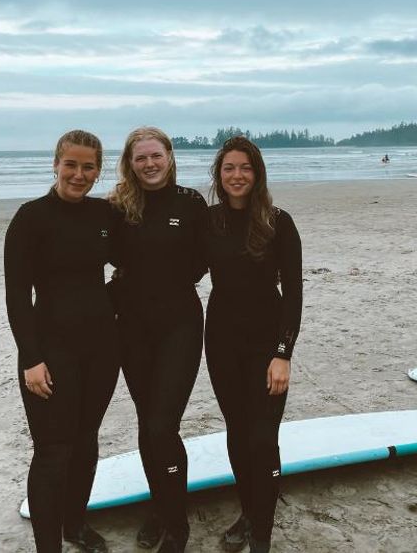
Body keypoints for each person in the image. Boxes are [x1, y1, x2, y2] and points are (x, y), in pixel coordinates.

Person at [4, 130, 118, 553]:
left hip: (103, 348)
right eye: (71, 164)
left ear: (98, 170)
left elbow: (140, 259)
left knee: (87, 440)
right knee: (53, 450)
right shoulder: (31, 218)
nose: (79, 174)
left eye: (88, 167)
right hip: (50, 351)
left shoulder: (106, 214)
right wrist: (31, 358)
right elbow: (17, 296)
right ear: (56, 164)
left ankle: (76, 525)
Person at [108, 127, 207, 553]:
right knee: (148, 427)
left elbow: (206, 258)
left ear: (170, 156)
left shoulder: (191, 202)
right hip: (131, 327)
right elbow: (90, 251)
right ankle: (161, 508)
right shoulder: (117, 206)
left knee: (162, 425)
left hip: (179, 325)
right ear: (130, 163)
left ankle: (177, 526)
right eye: (140, 158)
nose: (149, 164)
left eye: (155, 156)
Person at [204, 136, 302, 553]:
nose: (237, 175)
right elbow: (172, 263)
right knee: (238, 433)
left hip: (267, 345)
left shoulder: (280, 222)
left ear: (257, 173)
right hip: (222, 340)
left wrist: (283, 354)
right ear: (219, 175)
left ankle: (261, 536)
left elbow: (294, 295)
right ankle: (249, 512)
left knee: (263, 438)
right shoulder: (208, 222)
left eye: (245, 168)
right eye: (229, 168)